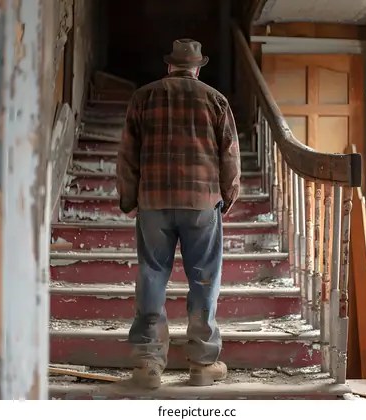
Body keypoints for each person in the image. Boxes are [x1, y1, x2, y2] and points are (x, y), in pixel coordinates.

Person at [116, 39, 241, 389]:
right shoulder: (216, 100)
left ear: (169, 66)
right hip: (202, 201)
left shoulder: (144, 97)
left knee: (152, 274)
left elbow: (127, 153)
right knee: (203, 279)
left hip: (153, 201)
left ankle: (148, 365)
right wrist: (226, 198)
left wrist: (129, 199)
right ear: (198, 68)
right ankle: (202, 364)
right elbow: (230, 155)